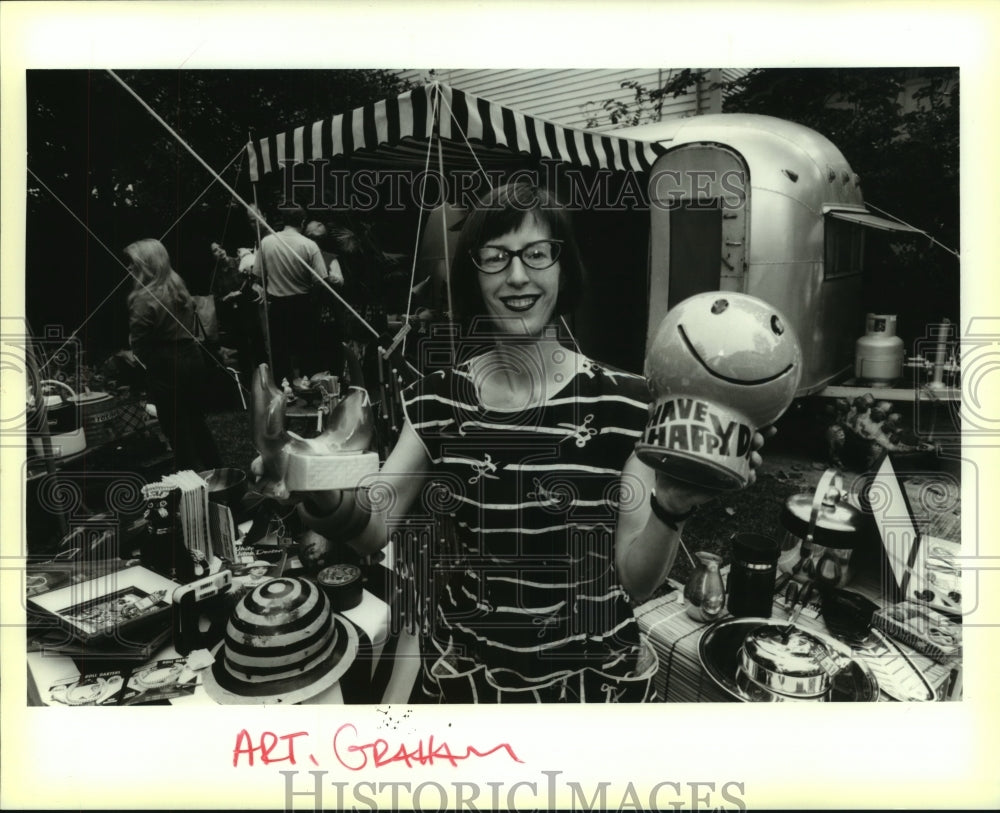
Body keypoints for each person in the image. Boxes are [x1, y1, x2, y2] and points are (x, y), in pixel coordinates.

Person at [258, 182, 765, 703]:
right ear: (473, 276)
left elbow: (632, 583)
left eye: (537, 254)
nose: (517, 275)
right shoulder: (438, 400)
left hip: (588, 687)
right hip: (477, 685)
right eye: (495, 258)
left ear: (562, 268)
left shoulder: (625, 405)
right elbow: (372, 528)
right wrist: (309, 481)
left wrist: (672, 507)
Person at [125, 238, 222, 472]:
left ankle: (189, 482)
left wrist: (144, 358)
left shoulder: (143, 298)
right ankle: (217, 471)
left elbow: (139, 341)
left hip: (166, 361)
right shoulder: (177, 285)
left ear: (146, 265)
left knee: (175, 427)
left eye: (132, 264)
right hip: (192, 355)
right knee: (196, 422)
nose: (128, 269)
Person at [253, 204, 329, 386]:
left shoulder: (266, 243)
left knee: (280, 351)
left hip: (277, 304)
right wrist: (313, 297)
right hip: (303, 303)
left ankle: (283, 387)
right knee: (306, 349)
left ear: (283, 221)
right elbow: (321, 280)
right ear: (302, 222)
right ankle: (307, 387)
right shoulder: (309, 245)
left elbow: (257, 276)